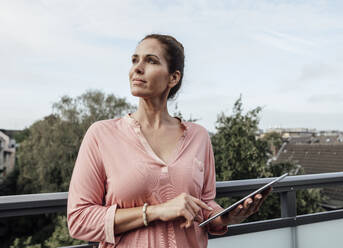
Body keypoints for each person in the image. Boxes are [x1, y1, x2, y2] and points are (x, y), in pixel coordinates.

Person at [67, 34, 270, 248]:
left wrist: (225, 217)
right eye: (135, 60)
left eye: (151, 60)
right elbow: (79, 220)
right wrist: (156, 211)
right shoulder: (101, 134)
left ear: (173, 78)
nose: (137, 68)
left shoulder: (199, 136)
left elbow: (205, 204)